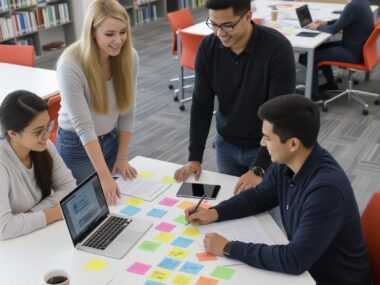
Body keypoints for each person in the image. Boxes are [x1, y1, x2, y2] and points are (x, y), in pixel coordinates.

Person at [185, 94, 371, 284]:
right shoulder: (288, 163)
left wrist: (228, 248)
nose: (262, 143)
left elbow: (294, 259)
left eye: (267, 137)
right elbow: (258, 198)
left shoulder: (326, 191)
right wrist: (215, 212)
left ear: (293, 144)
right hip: (308, 269)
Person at [174, 0, 295, 195]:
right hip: (226, 144)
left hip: (267, 148)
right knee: (231, 204)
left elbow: (279, 116)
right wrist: (194, 157)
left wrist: (259, 167)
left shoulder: (277, 49)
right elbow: (201, 105)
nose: (220, 33)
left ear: (248, 16)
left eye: (228, 25)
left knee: (268, 214)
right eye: (214, 24)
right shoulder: (208, 47)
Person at [56, 0, 139, 205]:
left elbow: (127, 110)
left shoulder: (129, 57)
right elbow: (84, 126)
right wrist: (104, 175)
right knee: (92, 207)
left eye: (123, 32)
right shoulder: (70, 64)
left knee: (118, 203)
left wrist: (122, 156)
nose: (118, 40)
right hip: (77, 145)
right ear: (92, 32)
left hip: (111, 138)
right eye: (109, 34)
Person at [0, 90, 76, 240]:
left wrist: (28, 215)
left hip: (32, 235)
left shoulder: (44, 146)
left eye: (48, 126)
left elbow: (69, 188)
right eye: (38, 132)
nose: (47, 135)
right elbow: (4, 227)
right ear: (13, 134)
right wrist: (53, 213)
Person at [299, 0, 374, 101]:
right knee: (318, 48)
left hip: (352, 53)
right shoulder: (362, 2)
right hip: (358, 48)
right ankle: (331, 84)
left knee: (310, 57)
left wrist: (318, 27)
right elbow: (345, 20)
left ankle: (314, 95)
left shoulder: (353, 6)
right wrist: (326, 22)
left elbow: (332, 30)